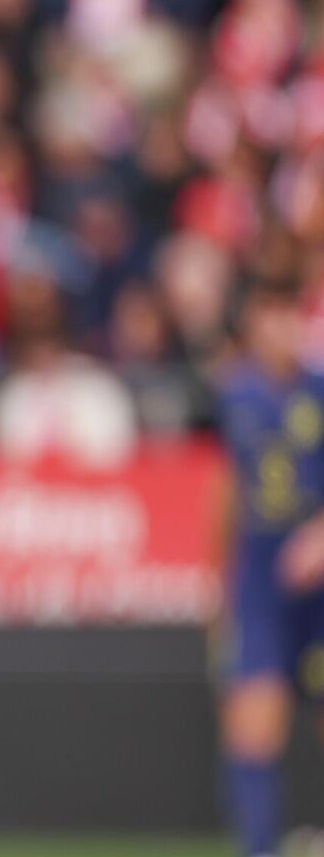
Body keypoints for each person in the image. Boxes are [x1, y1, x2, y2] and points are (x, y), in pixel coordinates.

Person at [216, 278, 324, 857]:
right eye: (268, 315)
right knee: (254, 722)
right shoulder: (233, 394)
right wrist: (220, 587)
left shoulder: (319, 390)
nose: (280, 328)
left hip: (319, 582)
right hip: (261, 574)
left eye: (289, 314)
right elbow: (223, 492)